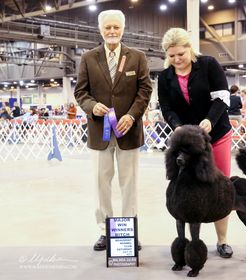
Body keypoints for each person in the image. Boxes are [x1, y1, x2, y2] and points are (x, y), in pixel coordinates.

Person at [74, 9, 152, 251]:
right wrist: (91, 106)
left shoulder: (137, 57)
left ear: (123, 29)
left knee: (129, 183)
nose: (112, 31)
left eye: (116, 27)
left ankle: (128, 230)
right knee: (101, 184)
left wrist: (131, 115)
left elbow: (145, 90)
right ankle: (105, 231)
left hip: (129, 131)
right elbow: (80, 92)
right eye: (107, 27)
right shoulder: (88, 57)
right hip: (100, 133)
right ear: (100, 30)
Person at [158, 27, 233, 258]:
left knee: (221, 188)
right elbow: (166, 107)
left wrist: (210, 120)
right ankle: (186, 241)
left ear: (190, 49)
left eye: (180, 54)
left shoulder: (209, 64)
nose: (176, 59)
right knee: (184, 188)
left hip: (216, 135)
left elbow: (222, 97)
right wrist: (177, 126)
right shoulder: (164, 77)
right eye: (171, 56)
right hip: (186, 143)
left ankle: (222, 240)